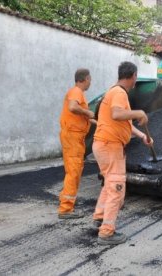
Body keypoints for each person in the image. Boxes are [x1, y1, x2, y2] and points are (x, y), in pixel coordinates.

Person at [92, 62, 152, 245]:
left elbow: (123, 123)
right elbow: (118, 114)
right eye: (136, 77)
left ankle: (99, 217)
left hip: (104, 144)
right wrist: (140, 112)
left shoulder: (114, 92)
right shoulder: (119, 92)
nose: (136, 80)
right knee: (117, 187)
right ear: (133, 75)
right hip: (110, 146)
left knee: (110, 183)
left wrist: (142, 135)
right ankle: (106, 233)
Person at [58, 69, 95, 219]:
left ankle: (66, 203)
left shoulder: (78, 94)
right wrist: (88, 113)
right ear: (85, 79)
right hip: (73, 136)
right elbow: (73, 107)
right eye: (90, 79)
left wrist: (99, 123)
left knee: (75, 170)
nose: (90, 82)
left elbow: (82, 116)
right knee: (73, 172)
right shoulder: (76, 92)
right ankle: (65, 209)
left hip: (75, 137)